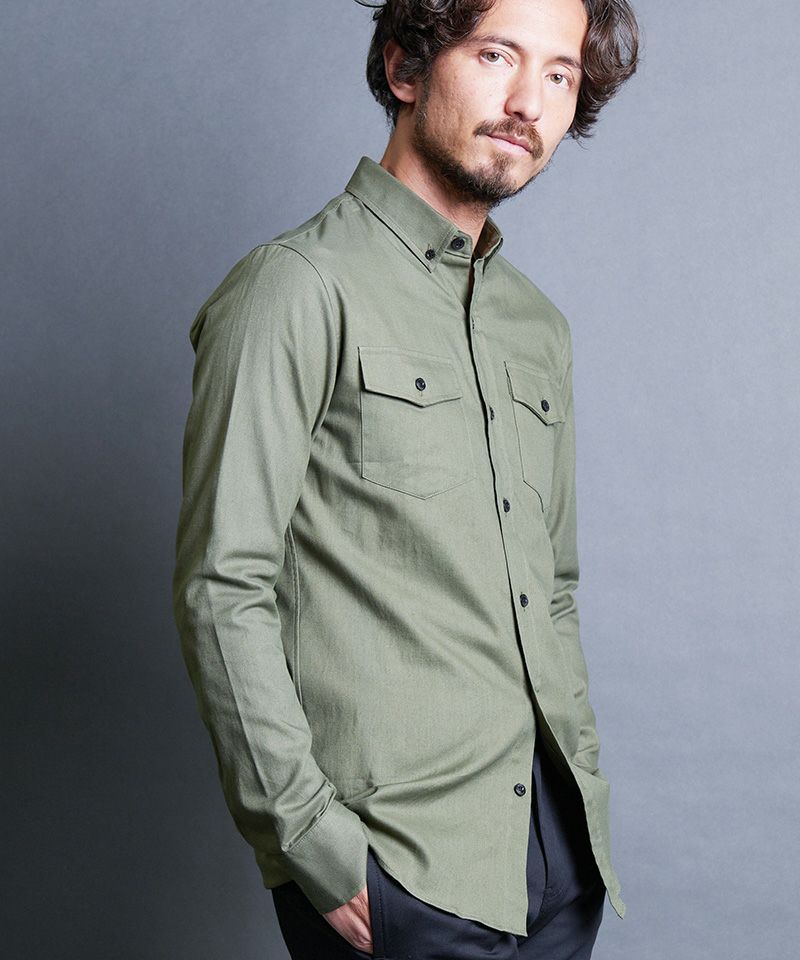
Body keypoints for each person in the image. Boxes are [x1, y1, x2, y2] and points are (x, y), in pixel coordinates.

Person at [172, 0, 639, 956]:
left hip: (558, 866)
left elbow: (553, 588)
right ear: (405, 67)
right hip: (398, 871)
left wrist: (585, 777)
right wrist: (308, 840)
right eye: (497, 55)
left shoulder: (537, 327)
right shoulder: (294, 288)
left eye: (559, 74)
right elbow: (222, 587)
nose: (529, 101)